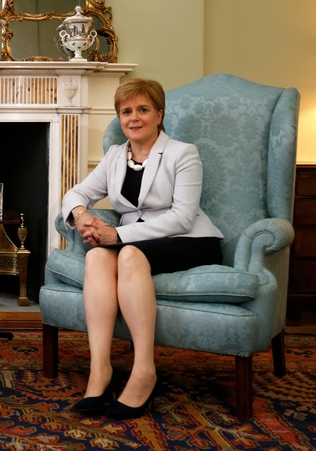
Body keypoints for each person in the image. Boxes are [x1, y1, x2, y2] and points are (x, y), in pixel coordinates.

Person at [61, 78, 223, 419]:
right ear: (120, 118)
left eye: (143, 110)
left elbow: (182, 217)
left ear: (159, 114)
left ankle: (144, 370)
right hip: (140, 240)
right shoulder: (115, 156)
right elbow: (76, 193)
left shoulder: (183, 153)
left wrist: (118, 236)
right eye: (126, 111)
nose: (134, 118)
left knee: (129, 253)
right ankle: (100, 368)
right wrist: (82, 215)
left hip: (191, 240)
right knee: (97, 257)